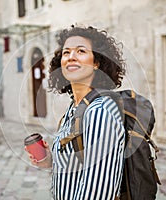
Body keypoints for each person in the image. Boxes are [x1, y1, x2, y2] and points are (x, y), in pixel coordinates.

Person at [25, 25, 126, 200]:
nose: (71, 57)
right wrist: (50, 159)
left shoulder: (99, 112)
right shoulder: (75, 107)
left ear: (96, 63)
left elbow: (99, 192)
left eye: (81, 51)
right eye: (66, 52)